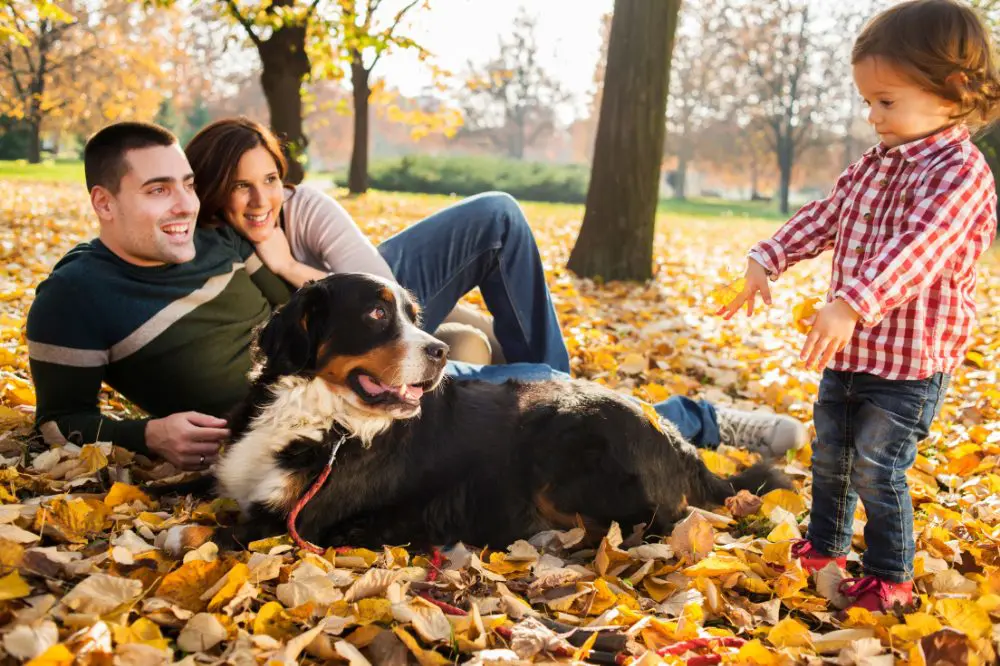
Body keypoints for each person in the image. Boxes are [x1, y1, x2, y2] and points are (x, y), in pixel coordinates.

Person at [26, 122, 805, 475]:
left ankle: (538, 373)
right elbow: (57, 422)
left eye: (188, 187)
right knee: (529, 416)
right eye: (158, 191)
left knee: (496, 215)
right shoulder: (77, 297)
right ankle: (694, 420)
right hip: (324, 405)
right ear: (102, 203)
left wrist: (279, 241)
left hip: (352, 351)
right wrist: (145, 434)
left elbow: (319, 252)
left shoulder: (222, 228)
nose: (184, 206)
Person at [720, 0, 999, 612]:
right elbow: (825, 217)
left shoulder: (961, 174)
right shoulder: (872, 166)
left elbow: (922, 248)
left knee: (878, 466)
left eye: (887, 101)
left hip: (909, 364)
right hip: (851, 353)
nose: (872, 115)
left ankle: (889, 574)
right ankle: (824, 547)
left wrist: (851, 302)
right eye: (867, 101)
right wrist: (768, 256)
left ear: (951, 91)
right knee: (831, 456)